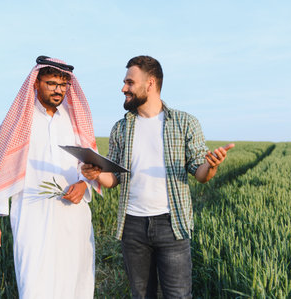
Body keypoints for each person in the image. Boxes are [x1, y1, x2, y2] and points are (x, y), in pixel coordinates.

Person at [82, 55, 234, 298]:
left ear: (150, 83)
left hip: (172, 225)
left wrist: (211, 165)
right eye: (125, 82)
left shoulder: (184, 123)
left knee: (178, 295)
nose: (124, 88)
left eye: (130, 82)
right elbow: (114, 179)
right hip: (132, 226)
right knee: (141, 295)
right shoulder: (120, 128)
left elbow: (200, 173)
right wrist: (97, 174)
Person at [0, 56, 100, 299]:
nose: (59, 90)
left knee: (76, 276)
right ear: (36, 83)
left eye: (63, 85)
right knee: (34, 279)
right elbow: (2, 170)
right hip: (32, 213)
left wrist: (83, 183)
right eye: (52, 83)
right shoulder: (18, 121)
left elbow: (91, 162)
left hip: (73, 213)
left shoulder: (74, 119)